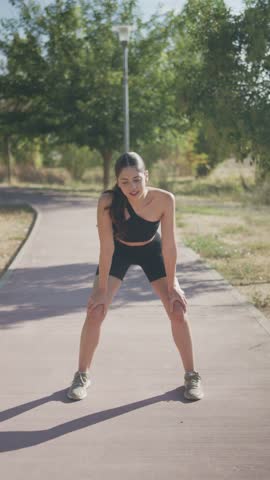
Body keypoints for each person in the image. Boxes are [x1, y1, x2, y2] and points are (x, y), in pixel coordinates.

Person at [67, 152, 204, 401]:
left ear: (146, 176)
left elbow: (169, 246)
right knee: (96, 310)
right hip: (118, 251)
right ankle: (81, 374)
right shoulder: (108, 202)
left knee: (177, 308)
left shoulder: (164, 200)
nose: (132, 187)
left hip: (152, 250)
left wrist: (173, 284)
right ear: (117, 182)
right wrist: (100, 290)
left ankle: (192, 375)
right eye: (124, 181)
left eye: (137, 180)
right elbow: (107, 247)